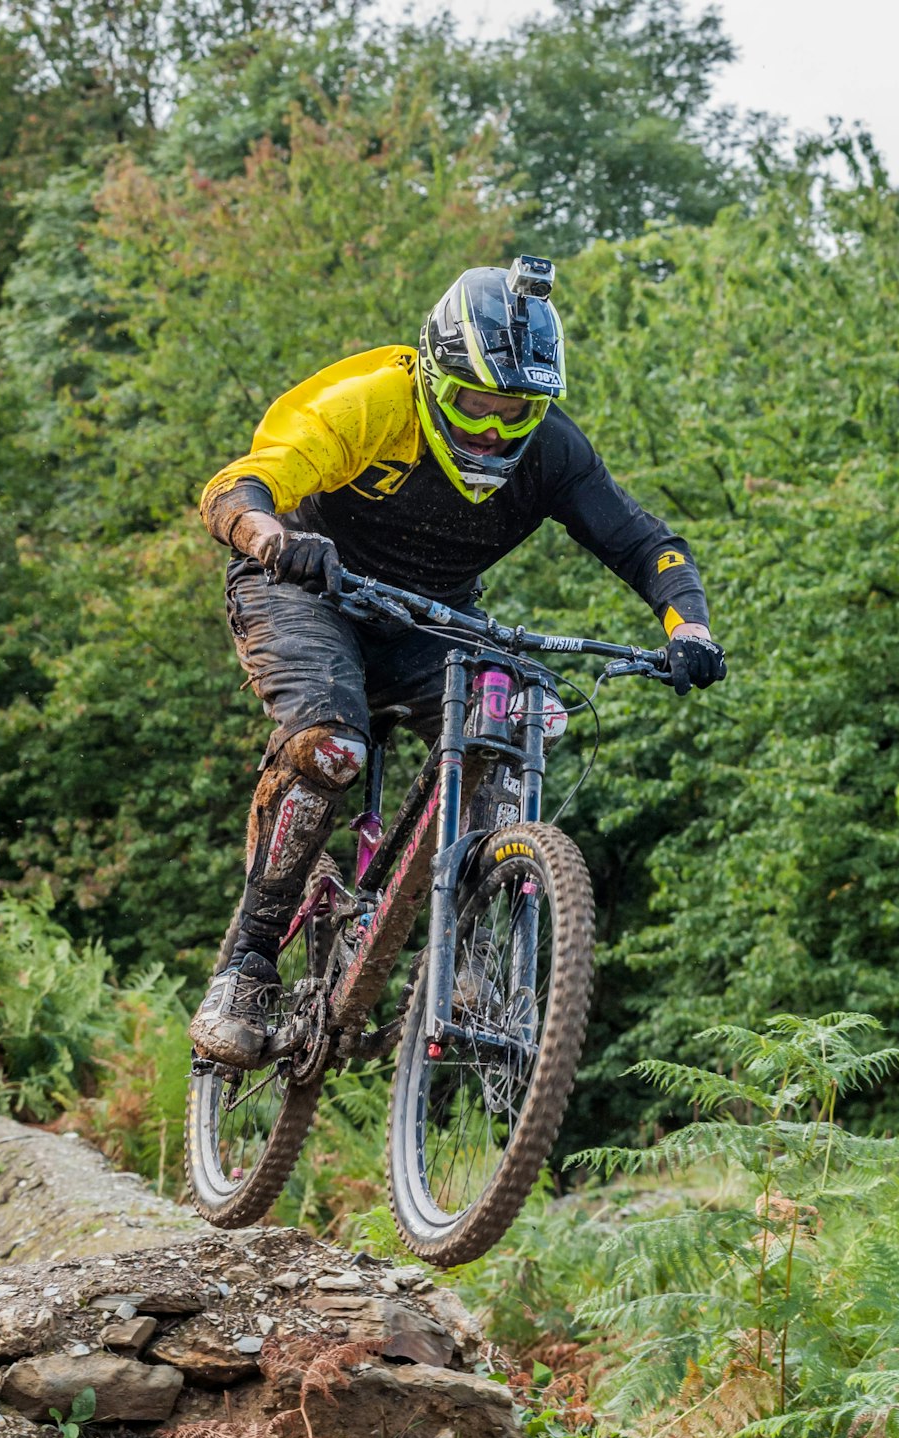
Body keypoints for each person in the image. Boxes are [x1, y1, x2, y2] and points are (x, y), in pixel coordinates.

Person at [190, 255, 725, 1069]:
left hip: (428, 616)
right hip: (303, 588)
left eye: (517, 408)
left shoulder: (551, 452)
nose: (492, 427)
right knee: (332, 748)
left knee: (515, 707)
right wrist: (276, 539)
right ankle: (247, 964)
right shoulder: (374, 404)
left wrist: (689, 627)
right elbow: (241, 485)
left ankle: (476, 963)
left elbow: (646, 543)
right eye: (477, 401)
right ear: (438, 376)